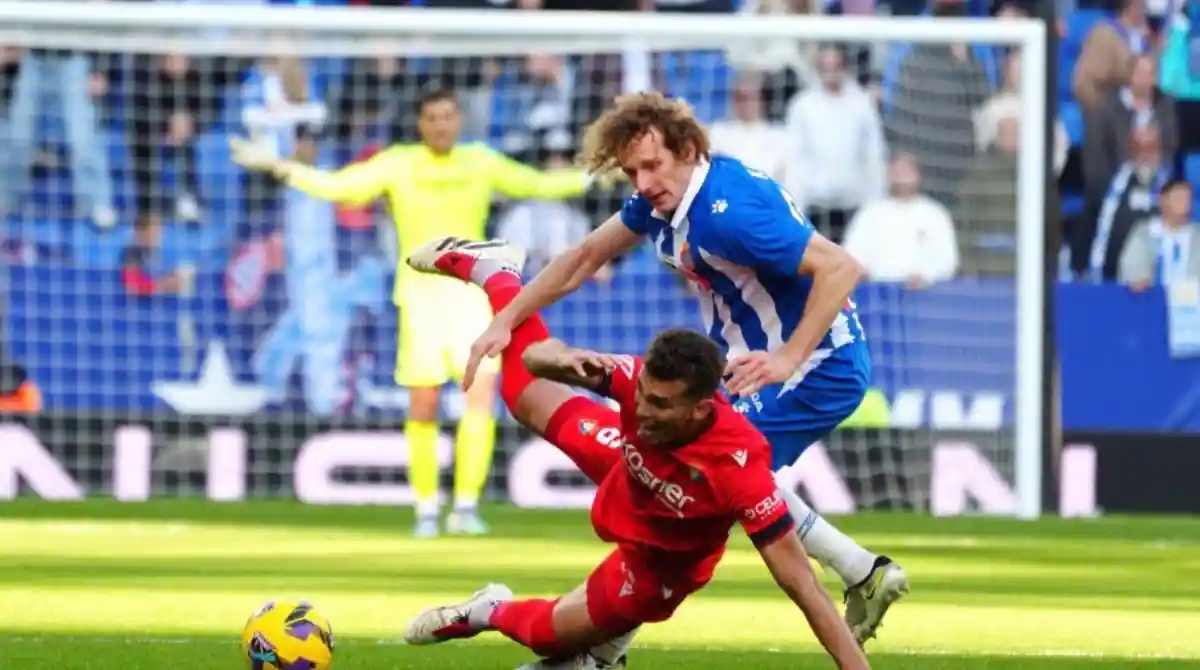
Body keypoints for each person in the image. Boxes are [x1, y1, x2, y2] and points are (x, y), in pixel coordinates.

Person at [463, 92, 908, 648]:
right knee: (694, 477)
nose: (643, 181)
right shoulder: (664, 202)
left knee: (700, 478)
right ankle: (861, 569)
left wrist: (788, 356)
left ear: (689, 150)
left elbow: (842, 267)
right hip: (748, 356)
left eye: (652, 165)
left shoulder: (728, 216)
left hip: (816, 365)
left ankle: (602, 650)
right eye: (631, 171)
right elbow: (584, 258)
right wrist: (508, 318)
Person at [401, 237, 870, 670]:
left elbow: (802, 586)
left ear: (702, 408)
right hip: (628, 464)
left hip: (657, 563)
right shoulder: (638, 385)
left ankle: (489, 610)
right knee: (526, 397)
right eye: (642, 393)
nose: (642, 408)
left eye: (661, 403)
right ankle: (497, 272)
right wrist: (558, 358)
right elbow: (535, 362)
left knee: (548, 636)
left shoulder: (739, 467)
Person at [228, 87, 597, 538]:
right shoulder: (399, 163)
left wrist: (604, 174)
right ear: (421, 123)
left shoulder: (479, 161)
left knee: (478, 400)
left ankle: (465, 506)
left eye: (448, 116)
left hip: (472, 299)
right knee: (423, 404)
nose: (441, 125)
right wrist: (280, 168)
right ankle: (425, 507)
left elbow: (539, 184)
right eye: (432, 117)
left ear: (458, 120)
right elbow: (341, 187)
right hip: (420, 300)